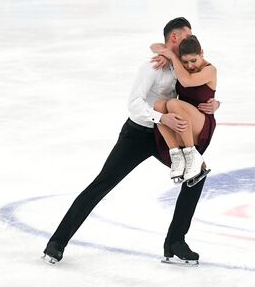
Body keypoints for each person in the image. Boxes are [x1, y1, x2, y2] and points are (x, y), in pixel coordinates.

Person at [42, 17, 218, 265]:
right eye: (187, 36)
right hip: (138, 134)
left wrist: (213, 103)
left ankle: (175, 241)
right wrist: (162, 117)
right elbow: (134, 105)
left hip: (163, 134)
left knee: (196, 175)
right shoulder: (152, 67)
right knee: (102, 183)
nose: (191, 40)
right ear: (175, 39)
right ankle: (56, 243)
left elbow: (198, 88)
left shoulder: (184, 64)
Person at [151, 35, 217, 187]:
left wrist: (173, 58)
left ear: (201, 53)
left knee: (173, 104)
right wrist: (170, 53)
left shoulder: (210, 70)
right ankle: (176, 156)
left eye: (193, 60)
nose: (190, 65)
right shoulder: (181, 64)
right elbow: (154, 46)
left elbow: (187, 82)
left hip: (202, 124)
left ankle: (191, 154)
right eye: (185, 62)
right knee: (159, 106)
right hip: (184, 123)